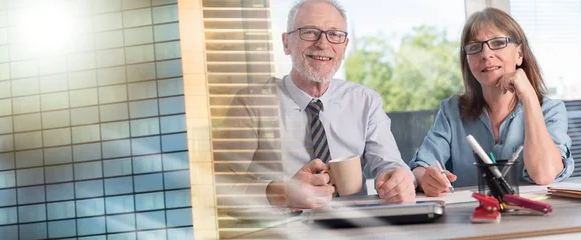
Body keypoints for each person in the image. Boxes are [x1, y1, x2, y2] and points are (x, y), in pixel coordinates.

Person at [223, 0, 415, 209]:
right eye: (309, 32)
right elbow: (218, 186)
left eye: (334, 34)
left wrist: (397, 179)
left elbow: (389, 163)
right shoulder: (252, 104)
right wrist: (281, 194)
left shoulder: (365, 101)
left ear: (344, 47)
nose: (323, 44)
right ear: (286, 43)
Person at [409, 7, 574, 197]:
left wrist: (529, 97)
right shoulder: (451, 110)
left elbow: (543, 175)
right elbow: (421, 167)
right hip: (473, 220)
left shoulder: (551, 110)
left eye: (497, 42)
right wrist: (425, 178)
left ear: (519, 54)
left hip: (532, 218)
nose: (486, 54)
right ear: (467, 60)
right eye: (474, 47)